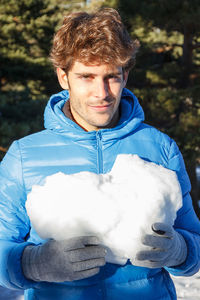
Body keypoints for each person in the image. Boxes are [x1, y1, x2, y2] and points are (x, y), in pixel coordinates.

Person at [0, 7, 199, 300]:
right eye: (86, 77)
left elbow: (193, 242)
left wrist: (180, 250)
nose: (102, 92)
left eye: (111, 77)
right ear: (63, 77)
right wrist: (33, 263)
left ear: (125, 74)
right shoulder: (23, 157)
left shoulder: (161, 149)